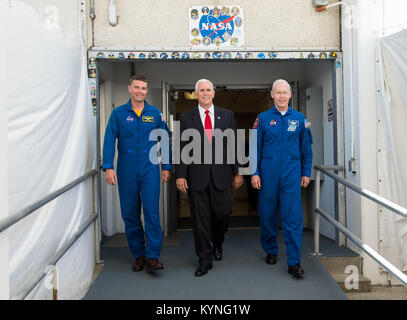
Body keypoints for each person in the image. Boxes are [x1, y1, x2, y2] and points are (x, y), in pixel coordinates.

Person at [102, 74, 172, 273]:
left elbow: (165, 140)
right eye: (137, 87)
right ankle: (139, 255)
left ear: (146, 91)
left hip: (150, 169)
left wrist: (166, 167)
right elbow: (109, 140)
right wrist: (108, 166)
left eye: (143, 88)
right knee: (130, 214)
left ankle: (152, 257)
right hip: (126, 170)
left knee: (151, 213)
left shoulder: (155, 113)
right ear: (129, 88)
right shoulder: (118, 114)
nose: (140, 91)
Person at [175, 79, 243, 277]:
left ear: (213, 93)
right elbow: (180, 148)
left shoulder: (227, 115)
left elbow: (234, 144)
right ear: (196, 94)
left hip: (222, 176)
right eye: (201, 90)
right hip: (197, 177)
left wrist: (238, 171)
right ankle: (204, 259)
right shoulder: (186, 117)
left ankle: (218, 242)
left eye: (208, 90)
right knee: (200, 220)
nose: (205, 93)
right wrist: (181, 175)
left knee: (222, 215)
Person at [251, 79, 313, 278]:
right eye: (278, 93)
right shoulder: (262, 118)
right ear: (272, 95)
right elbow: (254, 149)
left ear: (290, 95)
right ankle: (270, 249)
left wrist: (306, 172)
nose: (281, 96)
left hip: (291, 176)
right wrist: (254, 172)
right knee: (267, 214)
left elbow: (307, 149)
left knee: (292, 217)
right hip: (268, 176)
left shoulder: (300, 119)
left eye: (285, 92)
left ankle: (294, 261)